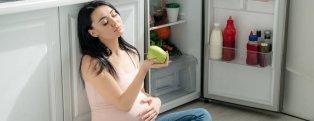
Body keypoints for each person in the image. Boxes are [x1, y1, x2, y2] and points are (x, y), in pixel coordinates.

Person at [77, 1, 212, 121]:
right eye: (105, 22)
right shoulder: (92, 62)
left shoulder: (131, 53)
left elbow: (140, 93)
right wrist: (144, 68)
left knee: (201, 115)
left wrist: (156, 101)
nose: (114, 22)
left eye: (114, 15)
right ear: (93, 32)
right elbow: (123, 104)